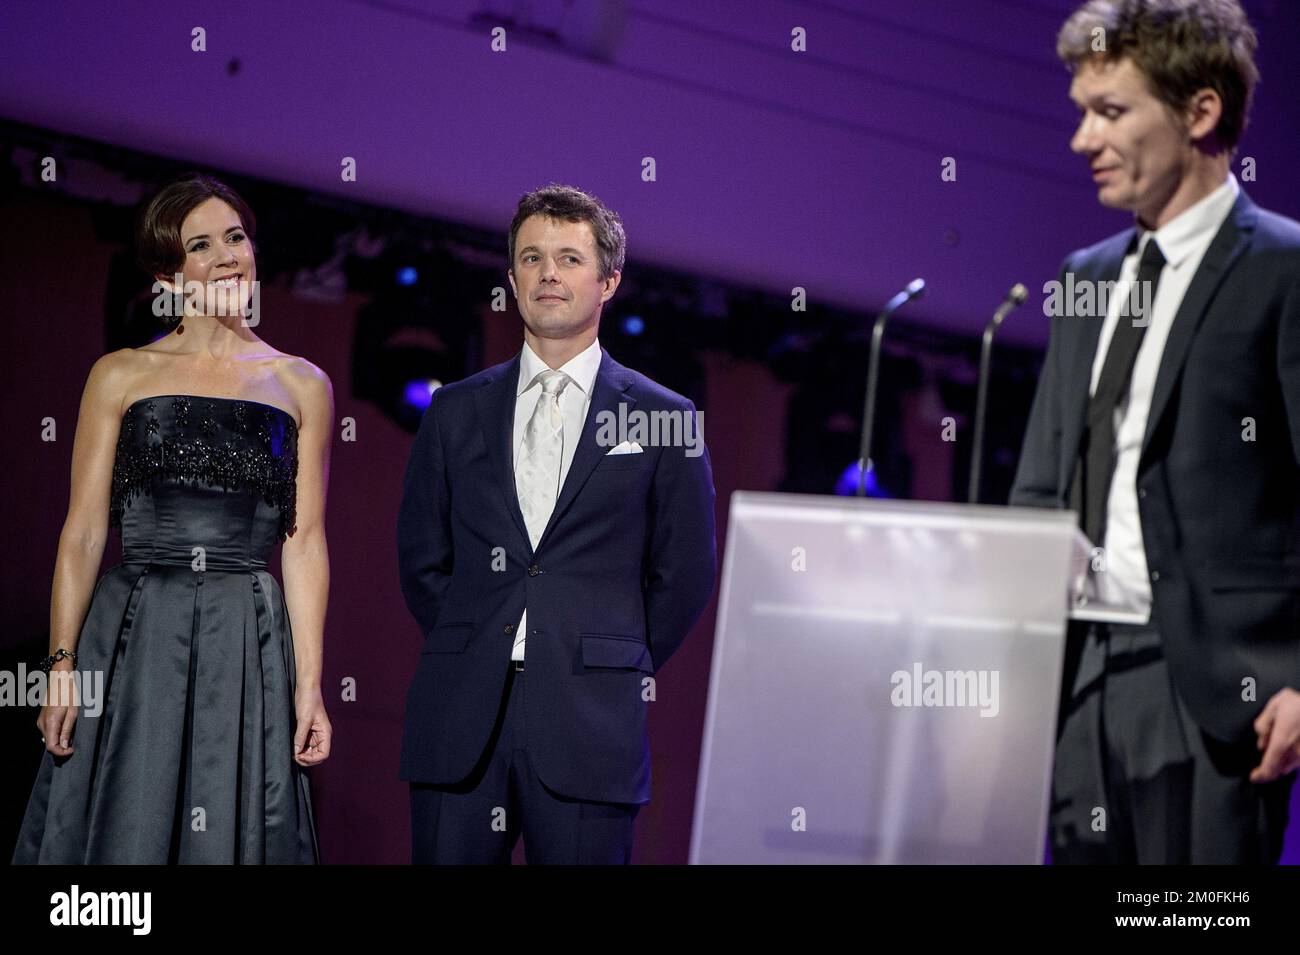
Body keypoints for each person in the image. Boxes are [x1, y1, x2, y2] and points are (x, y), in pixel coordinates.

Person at [1010, 0, 1300, 863]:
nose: (1082, 140)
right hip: (1081, 680)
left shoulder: (1283, 268)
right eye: (1081, 113)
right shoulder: (1084, 276)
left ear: (1200, 112)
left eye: (1110, 111)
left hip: (1217, 689)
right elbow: (1039, 486)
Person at [12, 173, 332, 863]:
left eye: (236, 237)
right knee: (128, 817)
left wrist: (310, 683)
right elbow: (84, 531)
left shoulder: (302, 383)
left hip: (246, 629)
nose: (226, 255)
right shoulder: (121, 374)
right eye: (201, 244)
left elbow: (305, 541)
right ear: (168, 270)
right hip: (137, 622)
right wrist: (60, 664)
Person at [397, 184, 716, 864]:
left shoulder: (665, 417)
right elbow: (422, 558)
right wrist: (474, 637)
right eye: (532, 257)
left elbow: (685, 572)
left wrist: (609, 655)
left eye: (569, 258)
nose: (548, 272)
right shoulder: (453, 409)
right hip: (460, 719)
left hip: (589, 724)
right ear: (511, 278)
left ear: (609, 280)